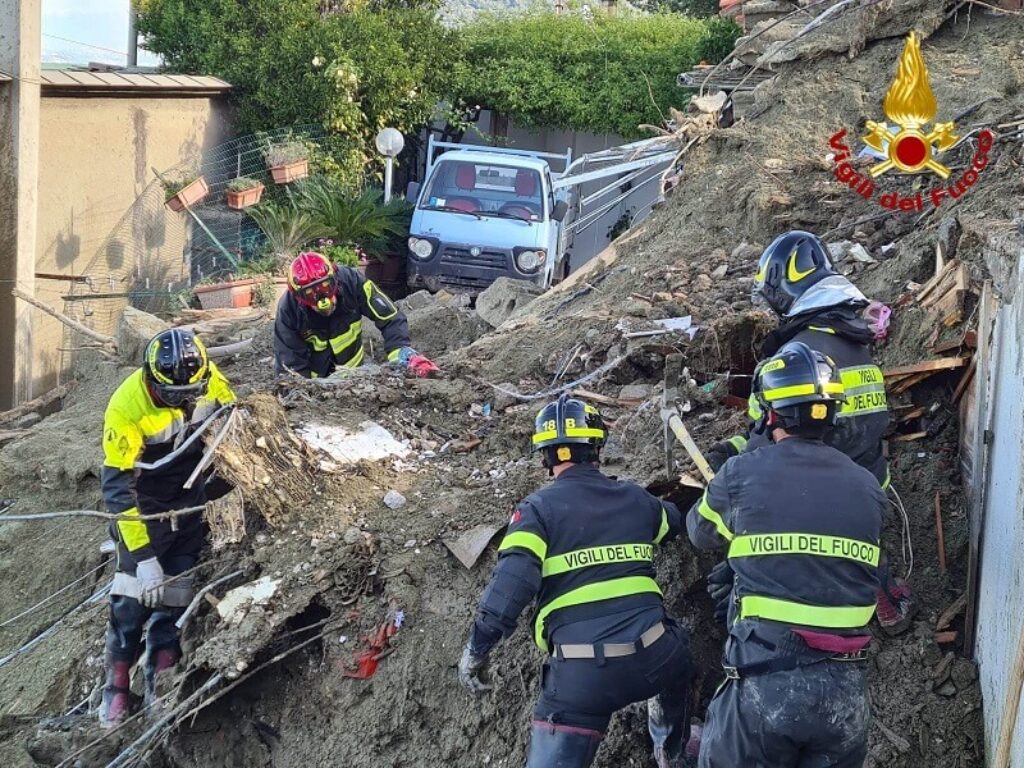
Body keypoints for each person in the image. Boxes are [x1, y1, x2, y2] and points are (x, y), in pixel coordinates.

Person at [458, 395, 696, 768]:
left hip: (582, 679)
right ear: (597, 447)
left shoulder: (535, 510)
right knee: (677, 653)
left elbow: (510, 588)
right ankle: (670, 750)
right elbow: (674, 524)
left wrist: (476, 651)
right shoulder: (636, 498)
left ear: (546, 456)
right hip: (654, 658)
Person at [707, 229, 914, 635]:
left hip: (806, 495)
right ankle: (882, 590)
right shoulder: (853, 342)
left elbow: (769, 443)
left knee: (739, 560)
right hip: (866, 490)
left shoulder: (795, 359)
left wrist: (729, 456)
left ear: (782, 288)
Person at [689, 341, 885, 767]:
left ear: (769, 412)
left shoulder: (742, 472)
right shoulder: (867, 484)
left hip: (766, 684)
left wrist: (730, 466)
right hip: (846, 697)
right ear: (832, 411)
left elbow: (700, 533)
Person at [99, 329, 236, 726]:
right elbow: (118, 490)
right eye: (177, 397)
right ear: (153, 381)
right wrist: (142, 558)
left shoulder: (207, 378)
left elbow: (233, 415)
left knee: (176, 597)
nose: (189, 401)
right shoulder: (127, 407)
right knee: (130, 599)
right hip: (147, 502)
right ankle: (117, 689)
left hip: (192, 495)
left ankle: (163, 680)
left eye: (193, 392)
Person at [273, 251, 437, 378]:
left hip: (356, 374)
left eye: (326, 287)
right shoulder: (288, 310)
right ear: (298, 297)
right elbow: (290, 366)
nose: (323, 300)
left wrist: (401, 350)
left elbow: (389, 317)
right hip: (317, 383)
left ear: (335, 278)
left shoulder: (352, 281)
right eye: (310, 295)